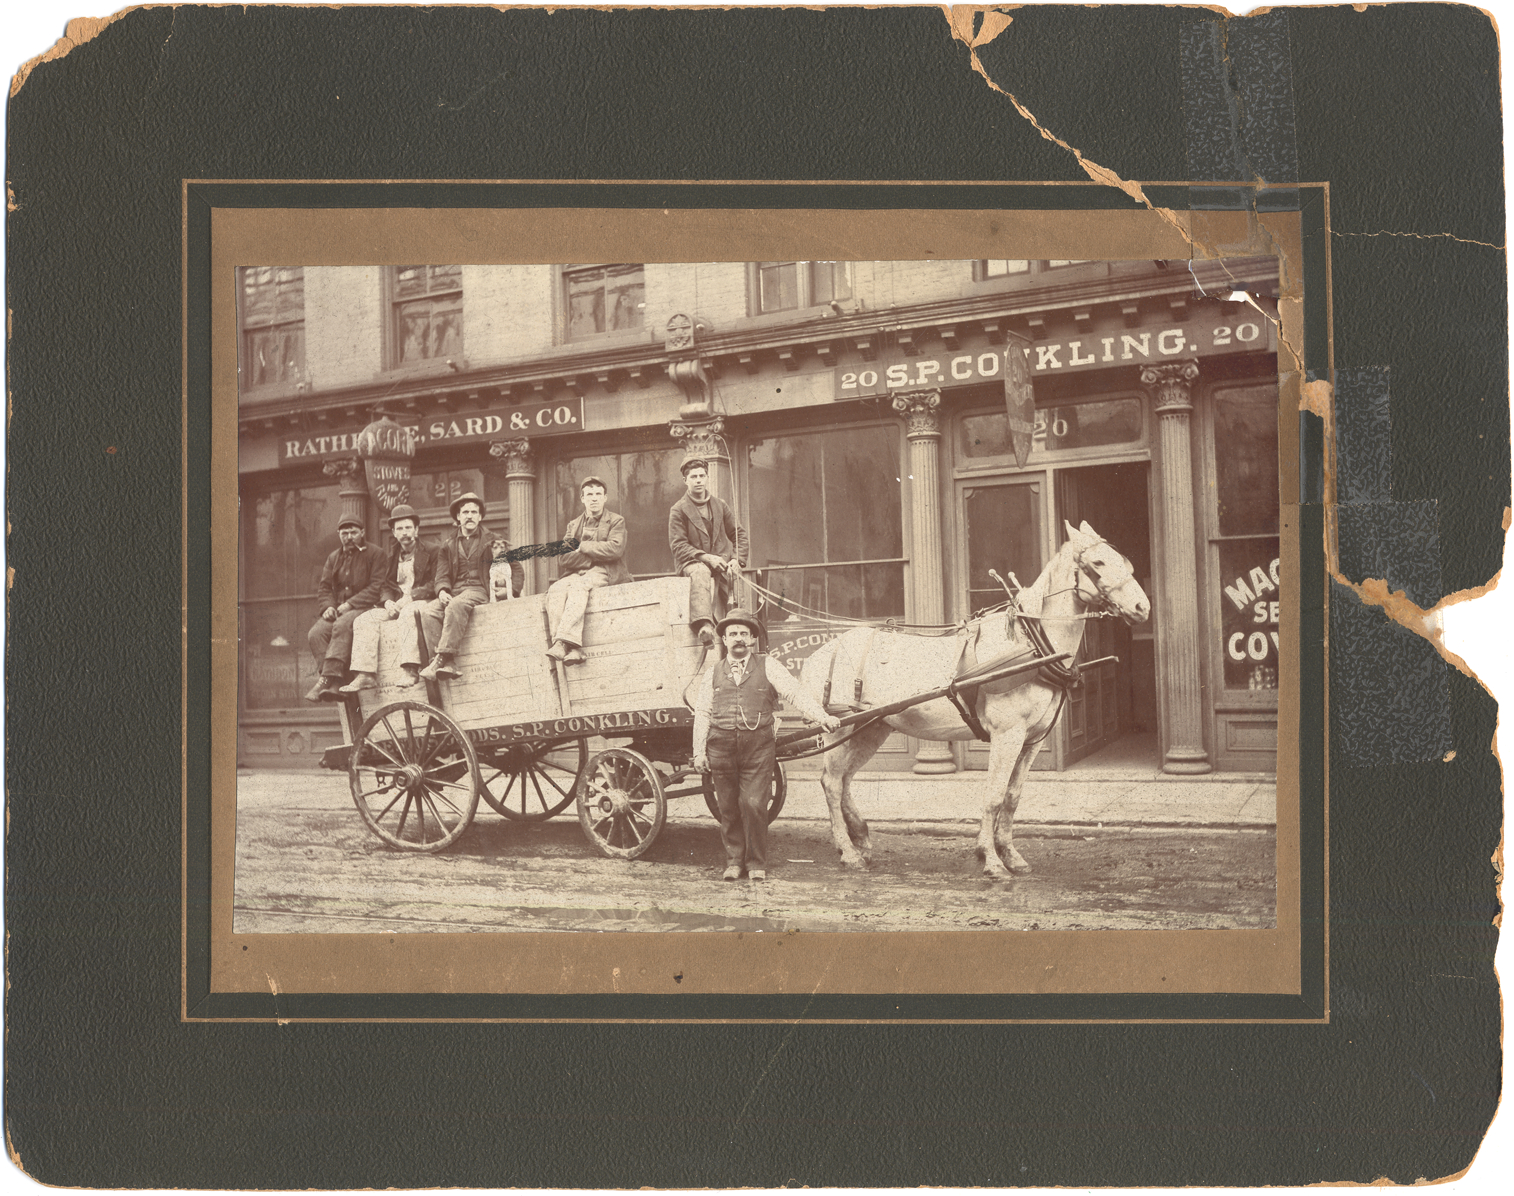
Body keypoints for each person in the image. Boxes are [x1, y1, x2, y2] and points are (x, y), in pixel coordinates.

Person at [691, 608, 839, 882]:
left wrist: (823, 717)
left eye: (744, 634)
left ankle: (756, 863)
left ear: (751, 640)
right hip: (720, 748)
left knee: (754, 803)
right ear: (723, 639)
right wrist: (699, 751)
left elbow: (795, 693)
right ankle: (734, 862)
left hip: (757, 748)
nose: (738, 638)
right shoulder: (713, 673)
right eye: (732, 633)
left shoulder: (768, 665)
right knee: (727, 807)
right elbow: (702, 713)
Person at [418, 492, 524, 682]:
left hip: (480, 589)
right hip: (456, 590)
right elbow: (441, 575)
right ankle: (448, 664)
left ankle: (440, 660)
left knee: (456, 605)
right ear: (458, 517)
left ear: (480, 517)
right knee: (428, 612)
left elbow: (516, 568)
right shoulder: (448, 545)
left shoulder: (493, 540)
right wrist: (442, 590)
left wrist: (511, 591)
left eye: (474, 512)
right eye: (465, 512)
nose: (470, 516)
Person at [338, 504, 437, 692]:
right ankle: (366, 674)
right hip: (397, 604)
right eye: (399, 529)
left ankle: (410, 669)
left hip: (423, 602)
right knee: (364, 619)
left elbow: (436, 582)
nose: (404, 532)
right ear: (393, 532)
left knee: (409, 612)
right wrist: (388, 601)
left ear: (416, 530)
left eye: (408, 527)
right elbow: (385, 585)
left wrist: (412, 596)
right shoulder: (391, 557)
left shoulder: (432, 551)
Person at [545, 476, 633, 664]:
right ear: (582, 498)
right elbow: (564, 558)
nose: (594, 498)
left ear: (605, 498)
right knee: (555, 590)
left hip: (606, 570)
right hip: (577, 571)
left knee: (579, 586)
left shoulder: (616, 521)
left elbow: (615, 550)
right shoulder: (573, 525)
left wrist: (583, 547)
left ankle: (562, 643)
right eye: (590, 494)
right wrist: (593, 555)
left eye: (598, 494)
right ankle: (570, 647)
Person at [668, 457, 749, 649]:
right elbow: (678, 545)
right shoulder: (678, 510)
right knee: (701, 572)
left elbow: (739, 534)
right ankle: (704, 625)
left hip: (721, 564)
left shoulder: (720, 505)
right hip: (692, 563)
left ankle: (741, 632)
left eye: (702, 476)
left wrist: (737, 560)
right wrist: (706, 558)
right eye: (693, 476)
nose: (698, 480)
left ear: (707, 477)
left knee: (734, 585)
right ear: (685, 480)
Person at [304, 513, 378, 701]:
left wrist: (351, 603)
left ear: (362, 532)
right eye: (344, 533)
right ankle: (335, 683)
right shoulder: (333, 558)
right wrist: (327, 606)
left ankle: (325, 680)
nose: (349, 537)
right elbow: (325, 587)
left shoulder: (375, 554)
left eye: (354, 532)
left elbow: (377, 586)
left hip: (367, 608)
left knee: (342, 624)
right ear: (339, 534)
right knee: (316, 633)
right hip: (339, 610)